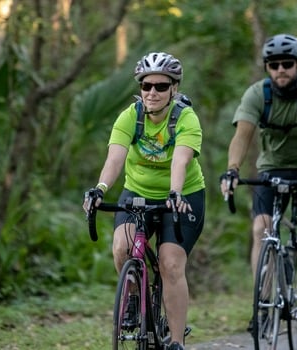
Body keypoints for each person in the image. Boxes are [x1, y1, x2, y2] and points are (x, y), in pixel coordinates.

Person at [83, 52, 205, 350]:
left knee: (170, 264)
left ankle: (176, 341)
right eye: (146, 85)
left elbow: (181, 160)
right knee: (122, 247)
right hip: (136, 191)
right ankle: (134, 296)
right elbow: (115, 157)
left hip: (182, 196)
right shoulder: (131, 116)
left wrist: (174, 193)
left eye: (161, 86)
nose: (152, 92)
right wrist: (100, 189)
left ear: (173, 88)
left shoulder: (185, 118)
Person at [219, 34, 297, 328]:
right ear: (267, 68)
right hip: (271, 167)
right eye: (274, 65)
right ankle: (261, 305)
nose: (280, 69)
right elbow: (242, 136)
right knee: (261, 228)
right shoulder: (258, 94)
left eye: (287, 64)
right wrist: (232, 169)